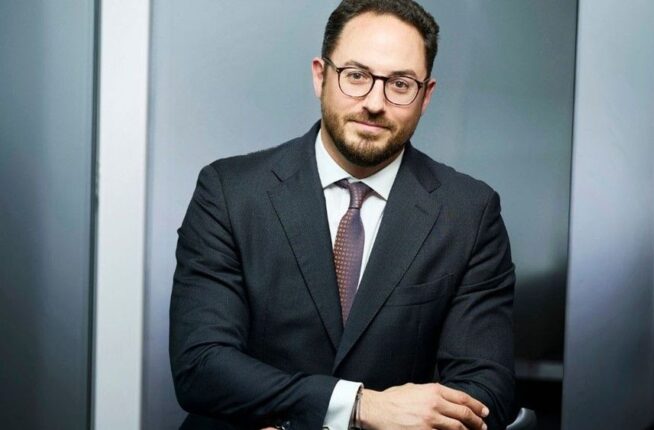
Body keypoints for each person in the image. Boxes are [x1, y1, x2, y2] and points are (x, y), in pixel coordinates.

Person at [170, 0, 515, 429]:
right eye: (356, 76)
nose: (374, 102)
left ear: (426, 96)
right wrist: (359, 406)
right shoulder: (230, 192)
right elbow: (201, 365)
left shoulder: (469, 213)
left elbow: (485, 392)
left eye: (400, 84)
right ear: (321, 76)